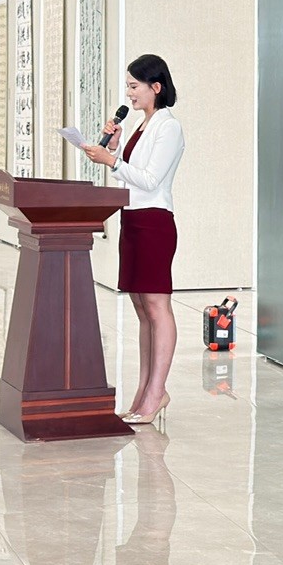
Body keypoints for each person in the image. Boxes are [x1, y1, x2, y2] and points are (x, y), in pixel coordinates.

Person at [77, 53, 186, 424]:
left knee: (157, 306)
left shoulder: (168, 127)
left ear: (156, 87)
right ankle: (144, 393)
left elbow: (151, 180)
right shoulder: (143, 125)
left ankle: (157, 392)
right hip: (133, 220)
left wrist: (112, 161)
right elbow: (131, 173)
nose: (129, 93)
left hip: (155, 222)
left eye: (134, 86)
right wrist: (114, 148)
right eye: (128, 86)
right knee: (142, 309)